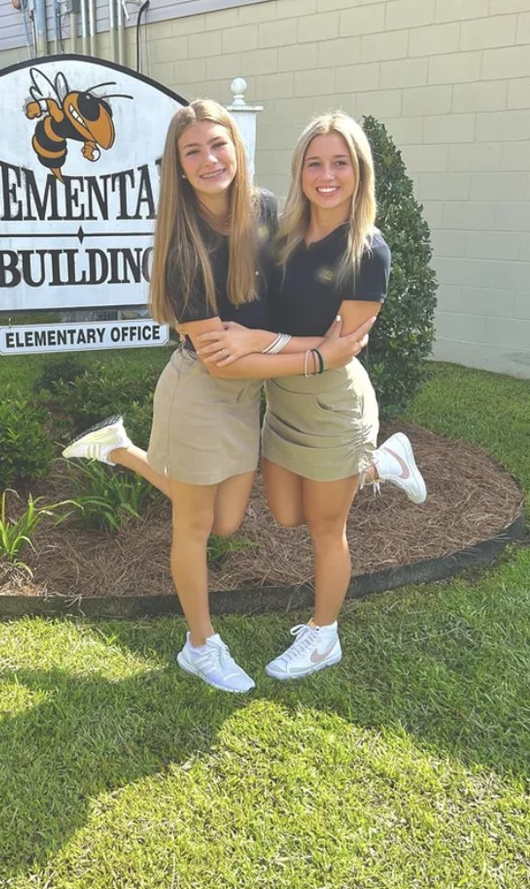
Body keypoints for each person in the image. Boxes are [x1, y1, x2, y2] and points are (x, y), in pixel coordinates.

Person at [62, 100, 374, 694]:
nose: (209, 159)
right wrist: (316, 356)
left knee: (227, 520)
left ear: (238, 147)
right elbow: (223, 364)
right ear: (178, 167)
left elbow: (295, 306)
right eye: (193, 151)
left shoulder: (264, 212)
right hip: (204, 393)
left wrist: (323, 347)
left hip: (252, 390)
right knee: (197, 526)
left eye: (218, 144)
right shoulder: (181, 249)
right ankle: (200, 644)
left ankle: (120, 450)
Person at [194, 111, 425, 681]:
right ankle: (383, 464)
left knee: (327, 527)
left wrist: (258, 340)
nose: (326, 175)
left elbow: (337, 347)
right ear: (300, 170)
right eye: (315, 163)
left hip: (329, 400)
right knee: (285, 510)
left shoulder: (368, 251)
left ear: (359, 172)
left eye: (339, 163)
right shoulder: (287, 235)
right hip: (283, 397)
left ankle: (325, 636)